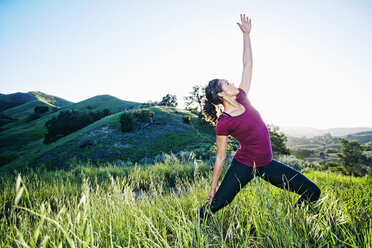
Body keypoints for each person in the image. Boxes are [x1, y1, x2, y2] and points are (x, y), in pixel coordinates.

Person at [199, 14, 321, 219]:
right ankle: (197, 226)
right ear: (221, 94)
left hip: (267, 165)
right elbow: (220, 157)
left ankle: (297, 217)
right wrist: (213, 188)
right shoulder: (224, 121)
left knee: (313, 192)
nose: (232, 84)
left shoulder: (243, 97)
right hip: (244, 166)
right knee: (218, 204)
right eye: (227, 83)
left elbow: (248, 65)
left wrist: (246, 35)